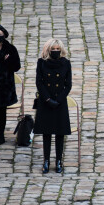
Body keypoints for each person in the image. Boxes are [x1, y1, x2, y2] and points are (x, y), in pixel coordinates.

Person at [34, 39, 72, 174]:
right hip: (46, 102)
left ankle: (59, 160)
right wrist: (48, 99)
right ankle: (46, 160)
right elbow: (39, 82)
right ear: (48, 50)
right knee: (47, 133)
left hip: (60, 102)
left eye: (58, 49)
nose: (55, 51)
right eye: (53, 49)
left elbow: (68, 84)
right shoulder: (42, 63)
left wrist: (59, 99)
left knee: (60, 133)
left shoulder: (66, 63)